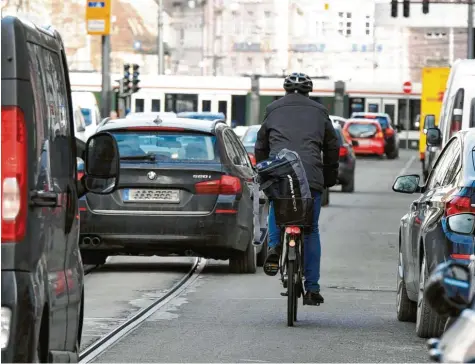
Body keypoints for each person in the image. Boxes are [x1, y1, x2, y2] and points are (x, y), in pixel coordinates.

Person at [254, 72, 339, 306]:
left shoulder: (273, 109)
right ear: (308, 91)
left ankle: (273, 246)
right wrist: (329, 176)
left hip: (281, 173)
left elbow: (261, 145)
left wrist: (264, 170)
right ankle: (312, 288)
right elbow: (332, 147)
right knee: (310, 230)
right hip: (311, 177)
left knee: (277, 201)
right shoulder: (320, 112)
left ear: (285, 90)